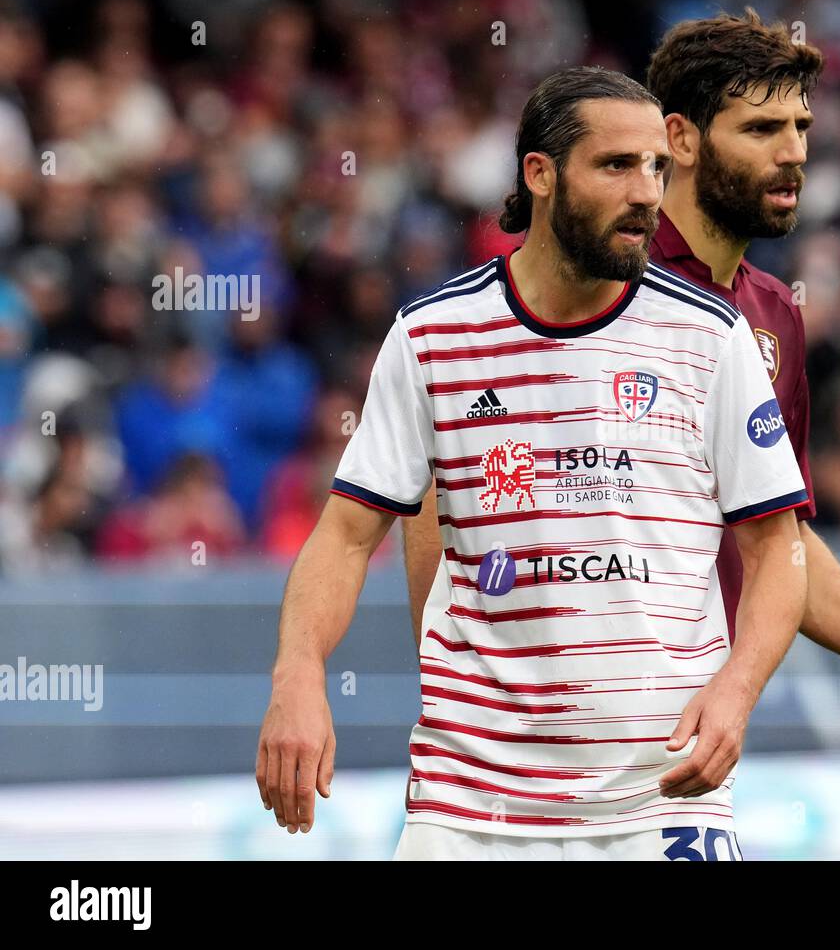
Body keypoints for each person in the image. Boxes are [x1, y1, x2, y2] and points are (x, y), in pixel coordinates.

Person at [404, 10, 840, 767]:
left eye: (801, 126)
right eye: (761, 130)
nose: (793, 153)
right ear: (681, 141)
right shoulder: (596, 276)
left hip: (672, 740)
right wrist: (458, 680)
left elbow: (778, 542)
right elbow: (444, 477)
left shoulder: (773, 316)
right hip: (521, 754)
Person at [256, 66, 810, 860]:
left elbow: (778, 548)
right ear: (540, 174)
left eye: (657, 166)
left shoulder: (711, 338)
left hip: (659, 799)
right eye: (617, 165)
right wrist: (298, 676)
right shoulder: (433, 335)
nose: (648, 191)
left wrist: (738, 687)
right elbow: (346, 535)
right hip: (470, 805)